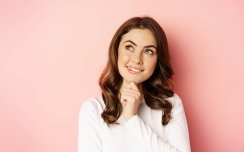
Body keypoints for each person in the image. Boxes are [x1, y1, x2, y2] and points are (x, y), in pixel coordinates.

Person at [78, 16, 191, 152]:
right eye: (129, 47)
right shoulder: (93, 109)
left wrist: (132, 120)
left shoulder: (170, 104)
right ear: (116, 51)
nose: (137, 59)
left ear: (157, 61)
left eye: (148, 51)